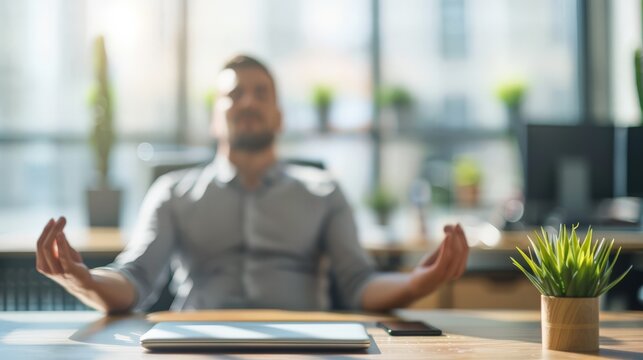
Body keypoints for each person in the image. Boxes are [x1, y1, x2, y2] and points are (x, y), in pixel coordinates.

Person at [35, 55, 469, 313]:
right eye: (234, 93)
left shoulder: (325, 191)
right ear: (214, 117)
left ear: (280, 116)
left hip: (306, 345)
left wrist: (416, 283)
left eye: (261, 93)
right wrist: (87, 281)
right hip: (194, 345)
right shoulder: (171, 192)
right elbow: (134, 279)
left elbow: (358, 284)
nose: (247, 101)